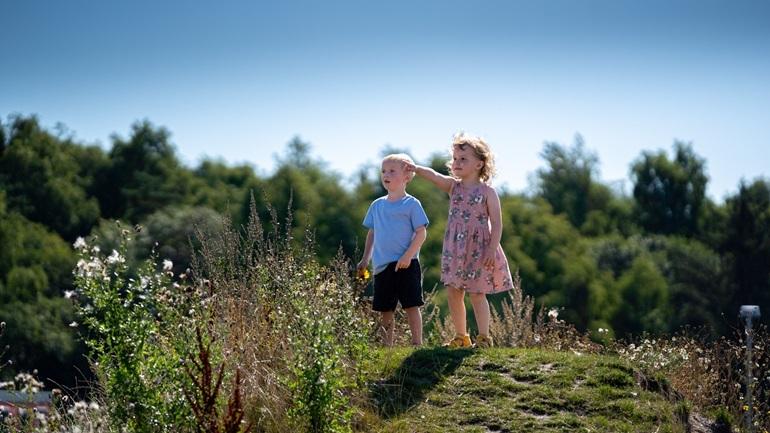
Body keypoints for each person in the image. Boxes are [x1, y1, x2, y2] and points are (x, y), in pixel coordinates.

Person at [406, 133, 515, 348]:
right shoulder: (453, 187)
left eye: (463, 159)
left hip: (480, 249)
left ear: (479, 164)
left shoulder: (488, 192)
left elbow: (498, 224)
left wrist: (492, 250)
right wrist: (416, 168)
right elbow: (435, 176)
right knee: (454, 292)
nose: (456, 163)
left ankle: (484, 337)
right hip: (455, 248)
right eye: (455, 159)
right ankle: (461, 337)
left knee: (477, 292)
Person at [357, 153, 429, 346]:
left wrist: (407, 256)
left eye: (391, 171)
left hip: (407, 263)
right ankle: (386, 347)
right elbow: (372, 233)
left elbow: (421, 233)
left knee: (412, 305)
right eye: (383, 171)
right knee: (385, 309)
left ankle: (417, 344)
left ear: (406, 177)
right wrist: (365, 259)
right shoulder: (376, 205)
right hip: (382, 266)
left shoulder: (412, 204)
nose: (385, 175)